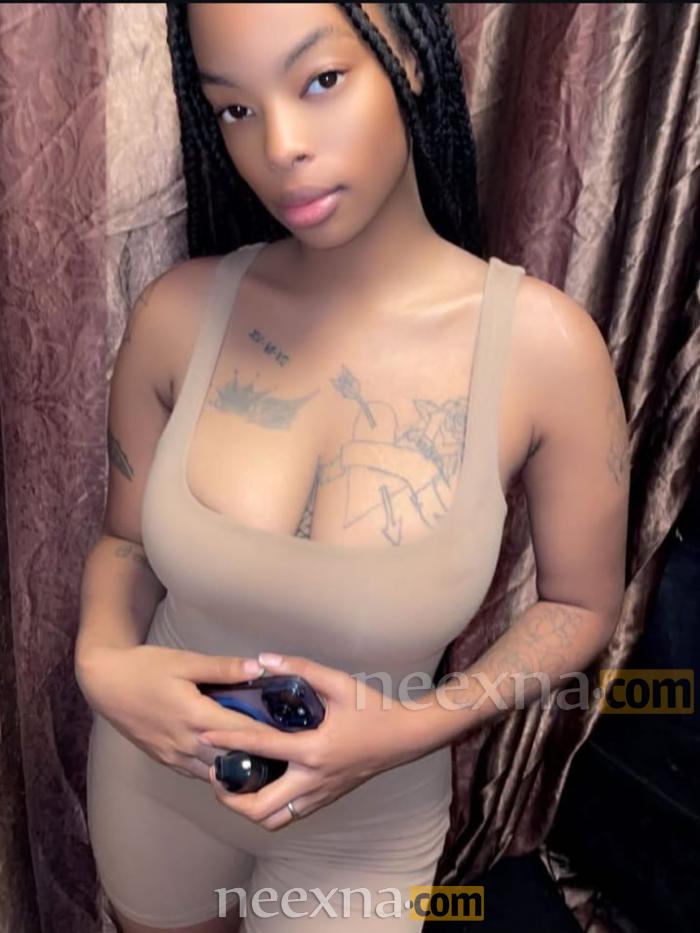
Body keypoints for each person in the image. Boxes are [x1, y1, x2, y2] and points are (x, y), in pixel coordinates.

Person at [74, 4, 630, 932]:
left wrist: (406, 730)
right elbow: (124, 541)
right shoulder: (177, 313)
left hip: (369, 819)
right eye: (236, 109)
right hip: (154, 779)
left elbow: (580, 605)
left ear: (406, 57)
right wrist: (102, 662)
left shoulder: (546, 350)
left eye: (321, 80)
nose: (279, 147)